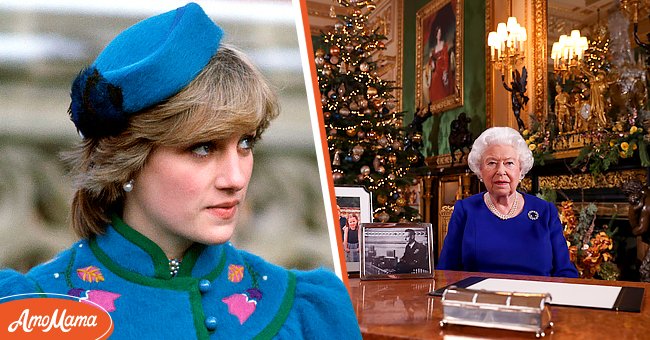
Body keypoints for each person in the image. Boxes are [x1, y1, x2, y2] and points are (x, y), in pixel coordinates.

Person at [0, 3, 361, 338]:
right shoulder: (34, 314)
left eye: (246, 144)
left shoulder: (307, 312)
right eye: (203, 148)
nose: (235, 179)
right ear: (128, 160)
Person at [437, 127, 578, 278]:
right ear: (480, 169)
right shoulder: (465, 210)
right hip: (479, 298)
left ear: (521, 169)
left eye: (509, 163)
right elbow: (446, 271)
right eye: (491, 163)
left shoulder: (545, 211)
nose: (501, 171)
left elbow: (565, 271)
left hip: (536, 299)